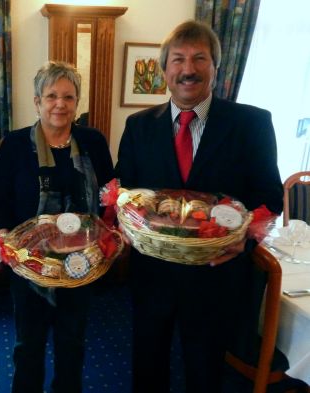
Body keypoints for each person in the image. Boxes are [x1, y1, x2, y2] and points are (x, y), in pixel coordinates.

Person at [115, 20, 284, 393]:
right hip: (153, 274)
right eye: (177, 59)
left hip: (216, 276)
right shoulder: (138, 126)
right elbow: (123, 193)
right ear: (164, 70)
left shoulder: (252, 124)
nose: (187, 69)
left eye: (199, 59)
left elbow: (270, 198)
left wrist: (246, 241)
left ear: (215, 67)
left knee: (205, 373)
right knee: (147, 367)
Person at [0, 61, 114, 393]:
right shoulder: (14, 146)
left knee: (72, 343)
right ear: (37, 101)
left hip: (79, 265)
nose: (60, 104)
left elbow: (108, 195)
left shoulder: (93, 142)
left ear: (77, 102)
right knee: (28, 346)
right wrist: (2, 237)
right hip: (29, 266)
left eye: (68, 97)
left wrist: (108, 232)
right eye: (51, 96)